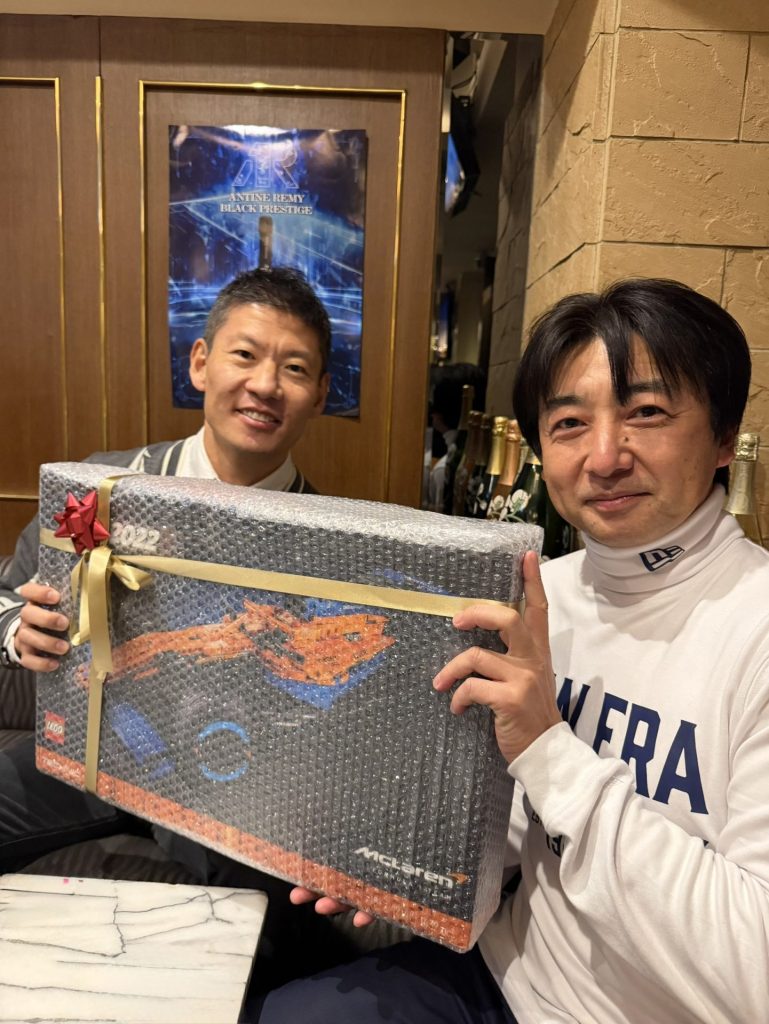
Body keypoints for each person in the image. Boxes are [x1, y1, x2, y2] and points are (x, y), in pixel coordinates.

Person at [255, 278, 769, 1024]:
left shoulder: (752, 626)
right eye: (569, 423)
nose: (603, 456)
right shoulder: (539, 594)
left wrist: (548, 749)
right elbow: (517, 840)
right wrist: (391, 860)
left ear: (723, 438)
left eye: (647, 413)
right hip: (502, 972)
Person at [0, 265, 329, 872]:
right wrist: (21, 628)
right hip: (86, 747)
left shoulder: (330, 542)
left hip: (230, 775)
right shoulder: (104, 489)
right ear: (201, 364)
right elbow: (5, 595)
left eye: (294, 368)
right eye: (245, 355)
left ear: (321, 394)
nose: (265, 384)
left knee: (271, 899)